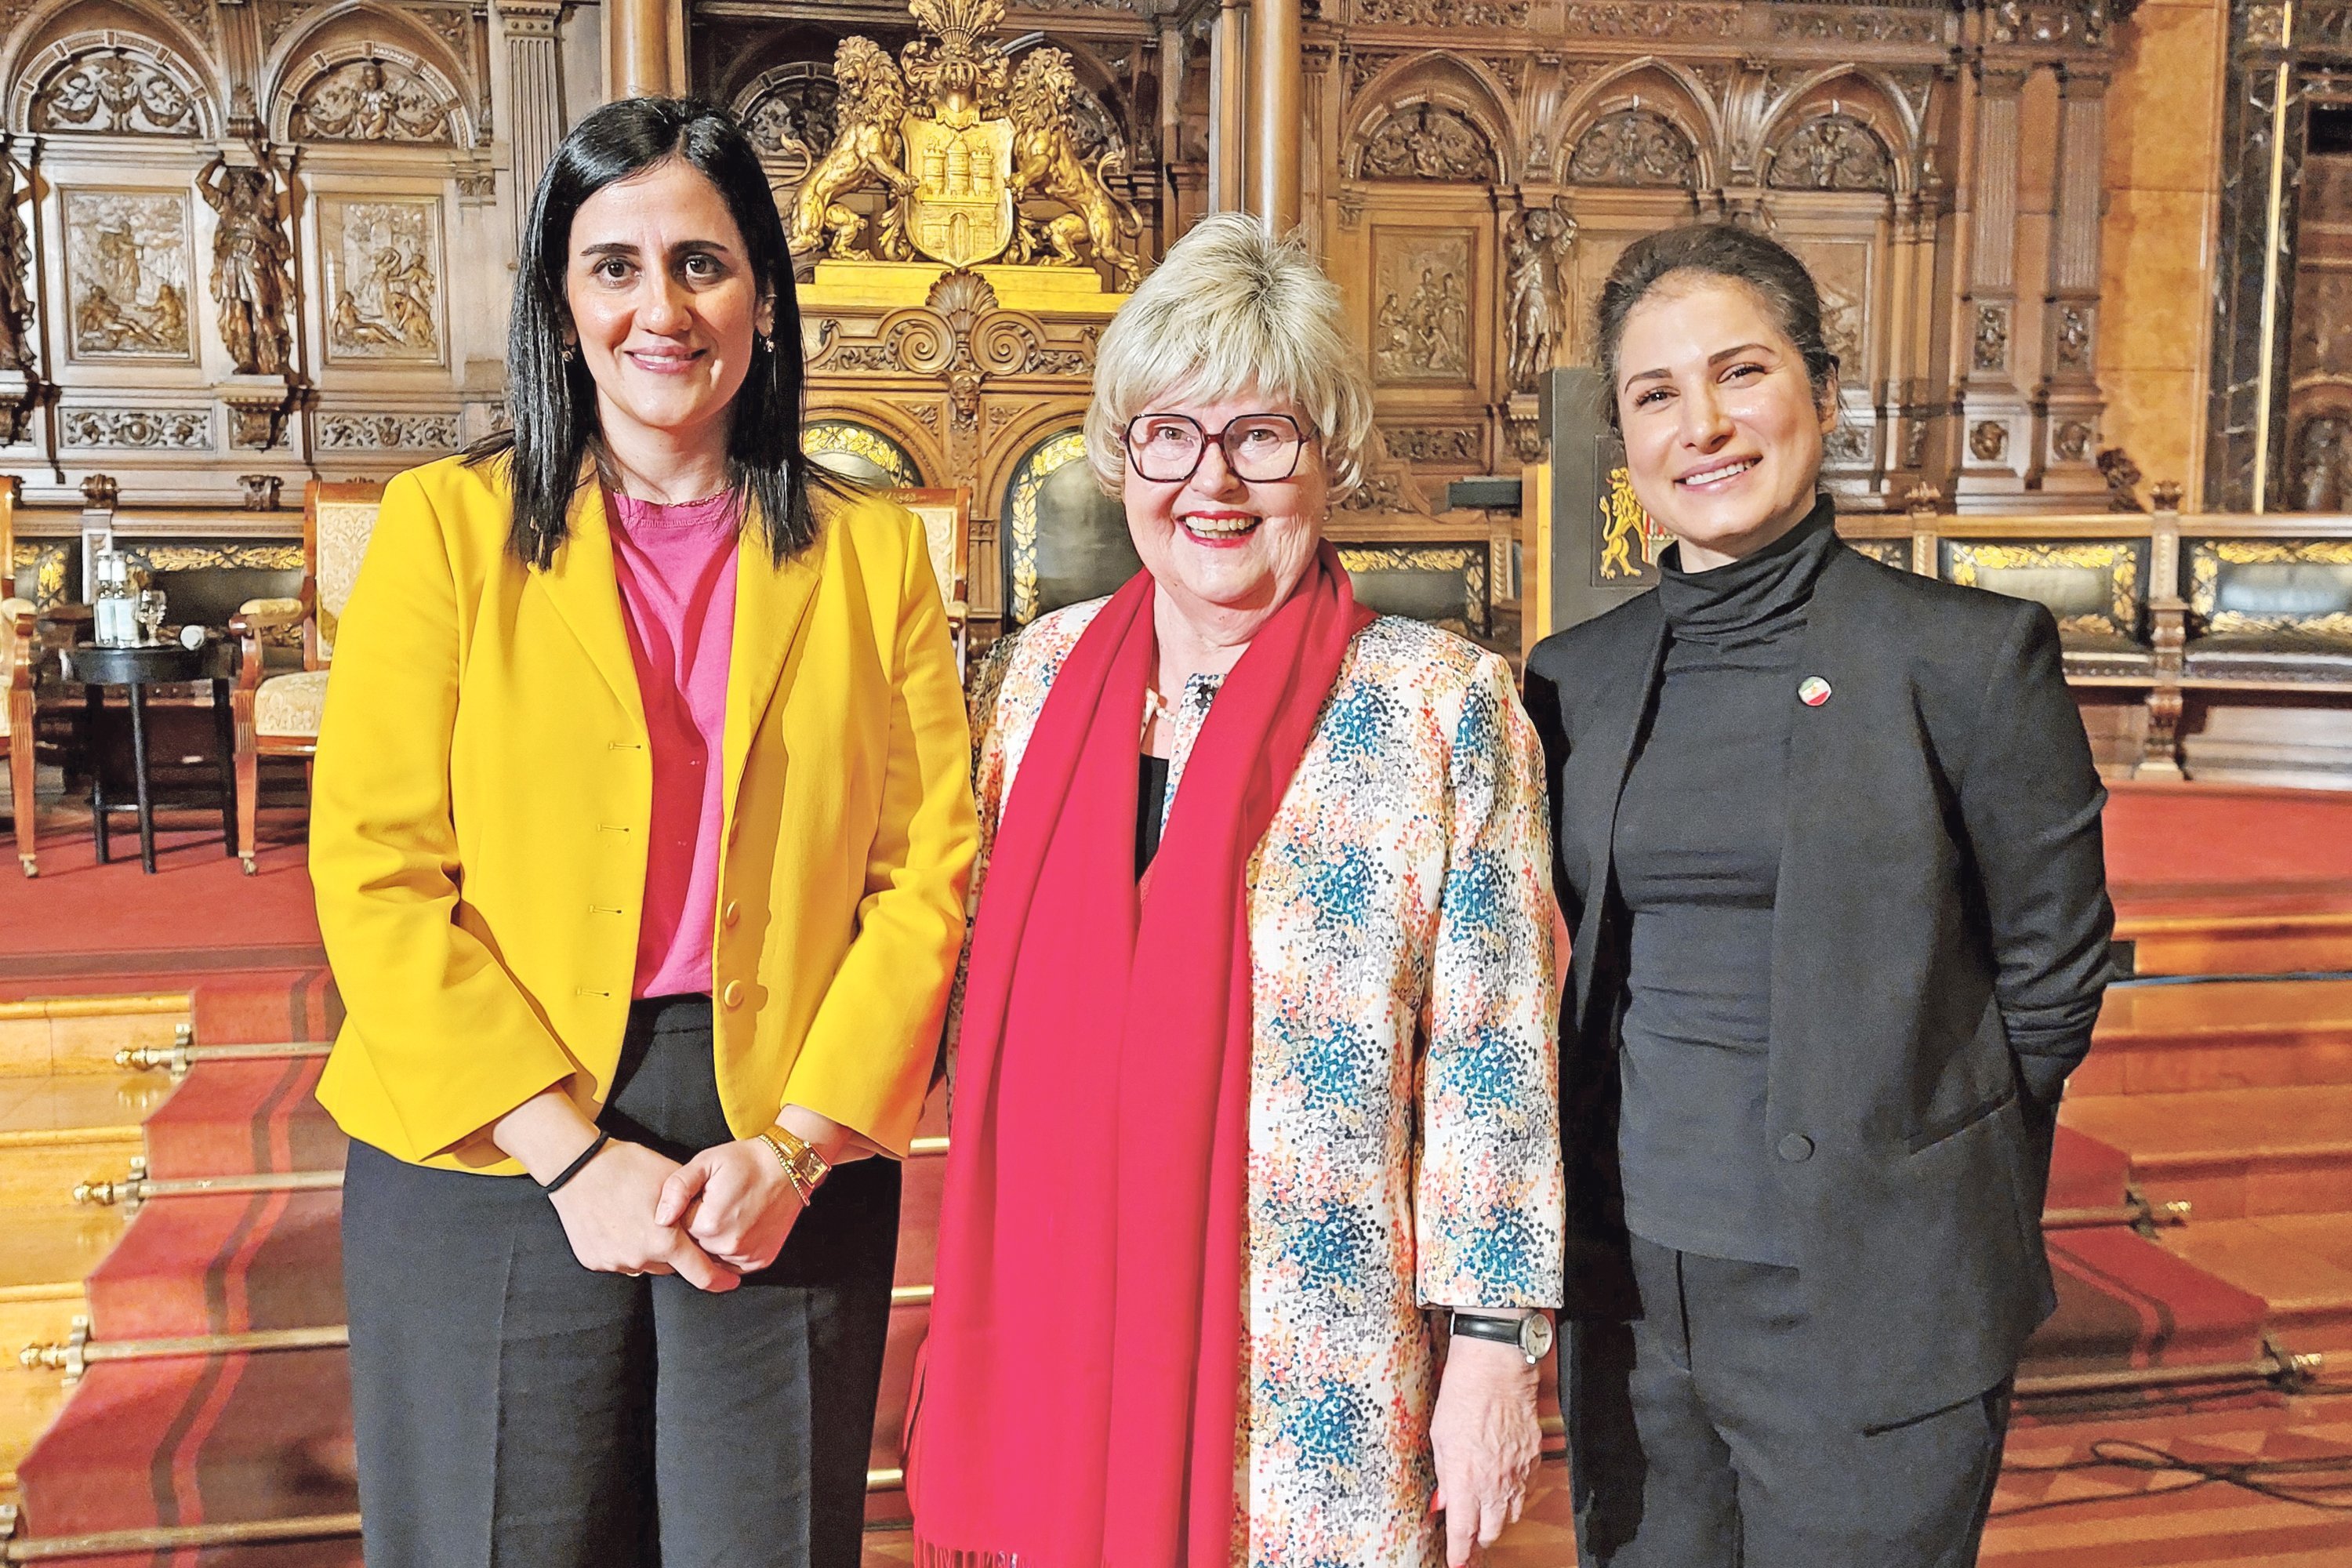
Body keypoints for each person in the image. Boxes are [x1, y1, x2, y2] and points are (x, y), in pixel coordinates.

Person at [310, 97, 976, 1568]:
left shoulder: (872, 554)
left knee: (763, 1542)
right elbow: (375, 870)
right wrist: (565, 1154)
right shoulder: (444, 529)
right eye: (613, 266)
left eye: (701, 263)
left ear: (765, 300)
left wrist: (799, 1150)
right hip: (491, 1122)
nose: (658, 308)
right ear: (560, 304)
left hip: (774, 1129)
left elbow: (925, 873)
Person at [909, 213, 1566, 1568]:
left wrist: (1493, 1353)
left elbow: (1497, 1056)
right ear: (1121, 451)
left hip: (1307, 1359)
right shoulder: (1033, 682)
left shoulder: (1442, 707)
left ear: (1329, 457)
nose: (1214, 481)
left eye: (1263, 435)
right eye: (1172, 432)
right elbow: (956, 978)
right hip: (1057, 1313)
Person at [1521, 223, 2114, 1567]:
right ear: (1623, 439)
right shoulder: (1574, 679)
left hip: (1870, 1294)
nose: (1704, 425)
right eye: (1656, 395)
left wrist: (1918, 1176)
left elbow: (2055, 973)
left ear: (1822, 392)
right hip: (1632, 1297)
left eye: (1742, 373)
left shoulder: (1966, 659)